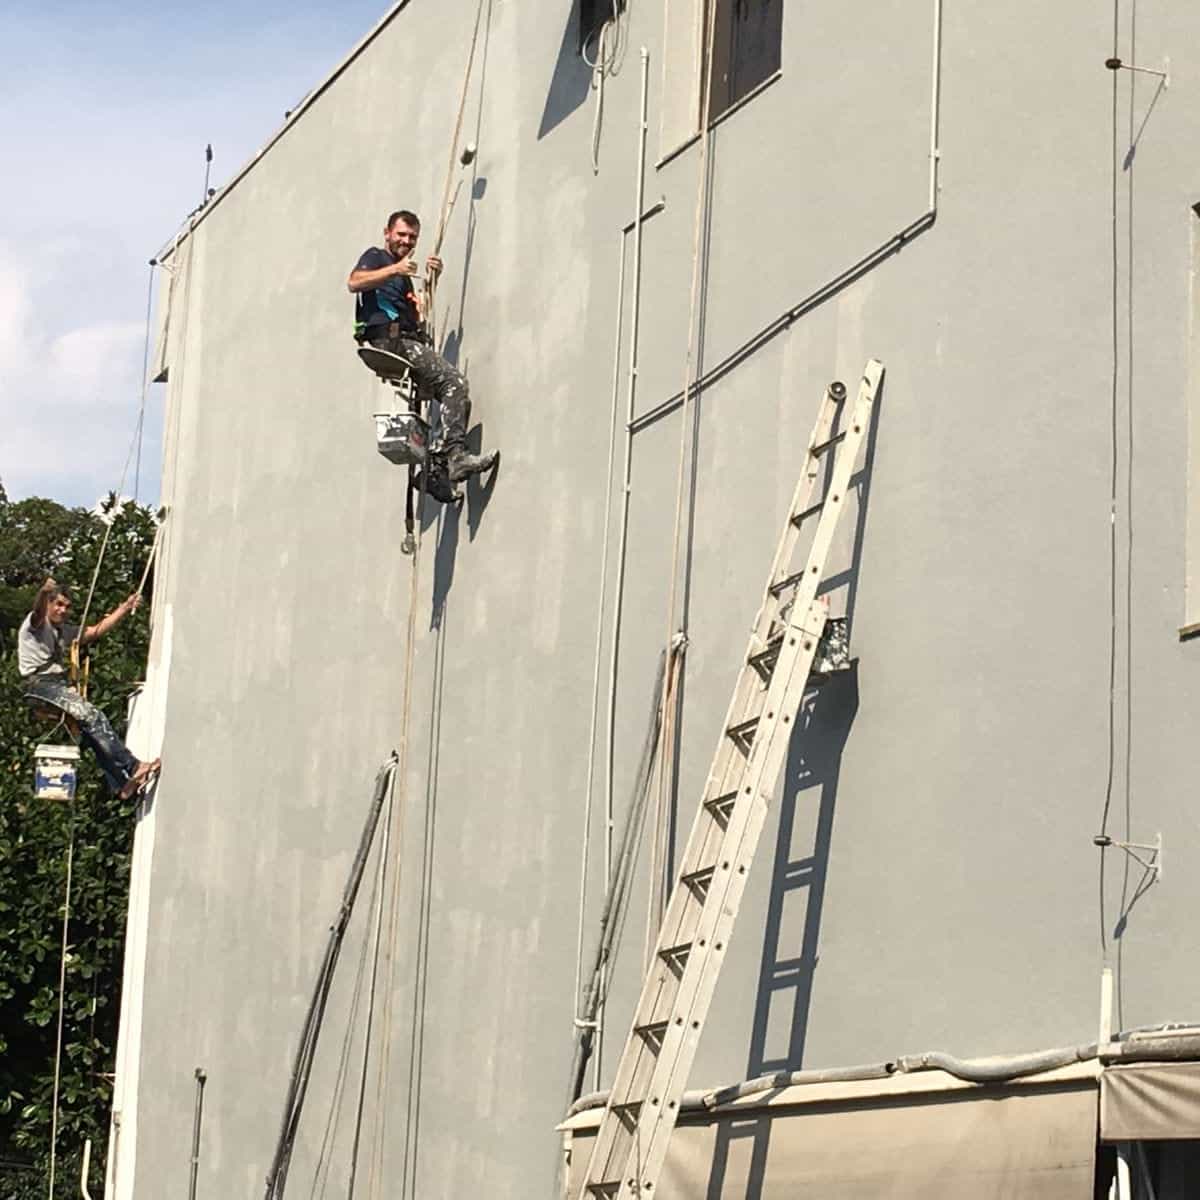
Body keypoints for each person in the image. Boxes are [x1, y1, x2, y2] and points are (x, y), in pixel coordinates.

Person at [348, 209, 498, 483]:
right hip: (389, 341)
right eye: (401, 235)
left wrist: (431, 281)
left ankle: (434, 474)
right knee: (455, 384)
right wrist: (395, 268)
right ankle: (456, 457)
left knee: (451, 400)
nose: (406, 241)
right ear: (387, 233)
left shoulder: (402, 276)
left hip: (402, 339)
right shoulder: (377, 257)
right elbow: (354, 282)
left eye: (412, 237)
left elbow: (417, 315)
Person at [17, 579, 159, 800]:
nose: (63, 610)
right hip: (39, 684)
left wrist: (124, 607)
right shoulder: (35, 625)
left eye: (67, 606)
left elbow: (93, 632)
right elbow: (37, 611)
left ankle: (122, 784)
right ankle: (132, 766)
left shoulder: (63, 631)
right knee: (91, 714)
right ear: (49, 604)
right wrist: (43, 593)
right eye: (58, 605)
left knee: (90, 731)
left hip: (55, 685)